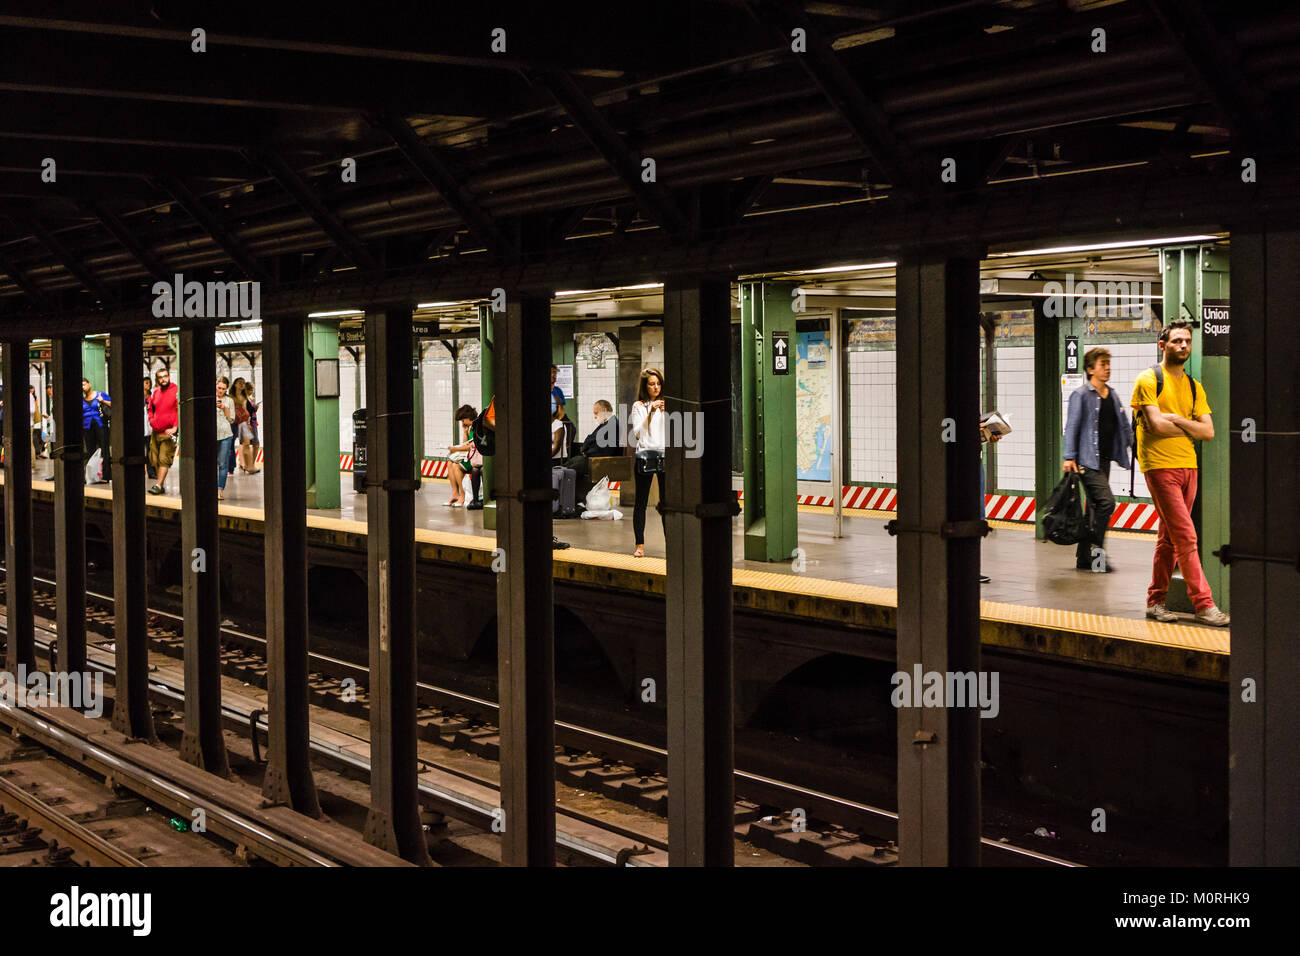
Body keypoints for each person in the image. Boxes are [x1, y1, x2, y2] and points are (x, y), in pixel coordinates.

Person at [1131, 321, 1229, 627]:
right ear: (1163, 345)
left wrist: (1177, 420)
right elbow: (1156, 427)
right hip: (1159, 466)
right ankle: (1203, 604)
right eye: (1176, 341)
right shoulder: (1148, 380)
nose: (1184, 345)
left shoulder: (1192, 386)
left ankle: (1155, 601)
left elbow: (1209, 431)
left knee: (1169, 538)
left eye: (1187, 341)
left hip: (1188, 467)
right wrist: (1188, 425)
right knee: (1186, 536)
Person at [1063, 347, 1134, 573]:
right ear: (1090, 369)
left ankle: (1084, 558)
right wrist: (1069, 457)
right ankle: (1097, 556)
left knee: (1094, 508)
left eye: (1108, 364)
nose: (1107, 368)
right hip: (1086, 461)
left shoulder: (1111, 394)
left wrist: (1136, 448)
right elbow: (1071, 427)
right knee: (1106, 503)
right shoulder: (1081, 395)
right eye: (1103, 364)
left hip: (1103, 460)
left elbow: (1124, 426)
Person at [628, 368, 666, 557]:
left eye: (658, 383)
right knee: (641, 502)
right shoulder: (639, 406)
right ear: (645, 386)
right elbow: (637, 433)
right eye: (652, 384)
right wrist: (651, 412)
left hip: (665, 455)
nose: (656, 387)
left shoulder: (667, 405)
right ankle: (640, 544)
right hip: (644, 456)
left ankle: (672, 543)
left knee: (667, 503)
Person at [564, 400, 621, 484]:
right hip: (592, 458)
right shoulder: (606, 424)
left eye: (596, 413)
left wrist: (586, 451)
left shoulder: (612, 425)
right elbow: (590, 439)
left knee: (568, 470)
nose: (595, 416)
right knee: (567, 465)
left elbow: (606, 450)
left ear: (604, 411)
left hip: (598, 461)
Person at [146, 367, 179, 495]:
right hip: (156, 431)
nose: (163, 379)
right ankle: (161, 483)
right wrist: (152, 421)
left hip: (169, 432)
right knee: (154, 459)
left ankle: (158, 485)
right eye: (160, 377)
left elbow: (178, 410)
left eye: (165, 376)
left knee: (164, 458)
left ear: (169, 376)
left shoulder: (175, 390)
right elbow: (150, 408)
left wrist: (175, 427)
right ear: (157, 379)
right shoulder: (156, 393)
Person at [445, 405, 483, 507]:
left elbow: (471, 446)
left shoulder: (478, 426)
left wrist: (455, 449)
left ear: (467, 418)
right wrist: (465, 432)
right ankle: (455, 493)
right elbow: (465, 443)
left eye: (462, 420)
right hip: (472, 456)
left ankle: (463, 495)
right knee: (449, 463)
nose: (462, 423)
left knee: (456, 466)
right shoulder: (471, 427)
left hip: (476, 458)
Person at [80, 378, 111, 484]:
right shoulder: (82, 400)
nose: (83, 387)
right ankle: (92, 475)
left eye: (84, 384)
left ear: (89, 384)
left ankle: (106, 475)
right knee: (90, 451)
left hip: (100, 424)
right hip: (87, 427)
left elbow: (113, 404)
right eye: (81, 386)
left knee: (104, 449)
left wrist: (103, 401)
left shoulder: (100, 395)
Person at [232, 379, 258, 474]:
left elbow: (248, 411)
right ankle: (239, 464)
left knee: (246, 444)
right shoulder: (232, 397)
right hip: (234, 422)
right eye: (240, 383)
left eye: (243, 383)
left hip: (244, 423)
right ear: (235, 384)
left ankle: (249, 466)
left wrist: (247, 423)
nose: (242, 385)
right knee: (233, 444)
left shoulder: (245, 397)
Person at [215, 377, 235, 501]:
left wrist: (224, 408)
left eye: (223, 389)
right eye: (219, 388)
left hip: (226, 435)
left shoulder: (229, 401)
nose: (221, 391)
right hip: (212, 434)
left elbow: (231, 419)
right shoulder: (210, 398)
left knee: (223, 464)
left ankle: (220, 490)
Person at [142, 376, 155, 480]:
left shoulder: (152, 396)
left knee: (151, 451)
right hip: (141, 426)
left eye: (149, 383)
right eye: (146, 383)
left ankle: (152, 472)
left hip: (150, 425)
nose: (148, 385)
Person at [29, 385, 44, 460]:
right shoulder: (32, 397)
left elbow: (34, 409)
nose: (32, 391)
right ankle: (38, 453)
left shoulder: (32, 397)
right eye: (31, 390)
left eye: (33, 390)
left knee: (33, 439)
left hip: (33, 420)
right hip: (33, 419)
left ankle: (36, 455)